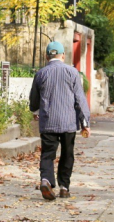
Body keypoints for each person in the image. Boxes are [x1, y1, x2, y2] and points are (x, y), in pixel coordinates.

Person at [29, 41, 91, 201]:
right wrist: (85, 123)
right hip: (68, 122)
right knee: (67, 154)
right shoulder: (72, 72)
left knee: (48, 153)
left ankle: (46, 180)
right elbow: (80, 99)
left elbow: (34, 99)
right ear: (63, 55)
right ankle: (64, 187)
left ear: (46, 56)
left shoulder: (41, 74)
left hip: (48, 121)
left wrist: (36, 111)